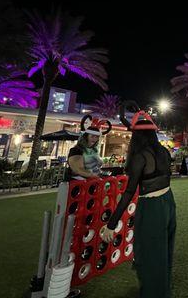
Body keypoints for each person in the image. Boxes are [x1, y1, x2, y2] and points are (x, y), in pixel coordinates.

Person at [103, 101, 176, 298]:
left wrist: (112, 223)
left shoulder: (140, 157)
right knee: (165, 250)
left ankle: (154, 293)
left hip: (152, 206)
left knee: (149, 253)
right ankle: (163, 288)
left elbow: (129, 193)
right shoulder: (163, 151)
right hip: (168, 202)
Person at [67, 115, 112, 180]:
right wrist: (95, 176)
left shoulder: (94, 150)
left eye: (97, 137)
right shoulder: (76, 150)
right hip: (80, 183)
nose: (95, 139)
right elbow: (78, 170)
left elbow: (95, 167)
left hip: (93, 181)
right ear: (85, 137)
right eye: (92, 136)